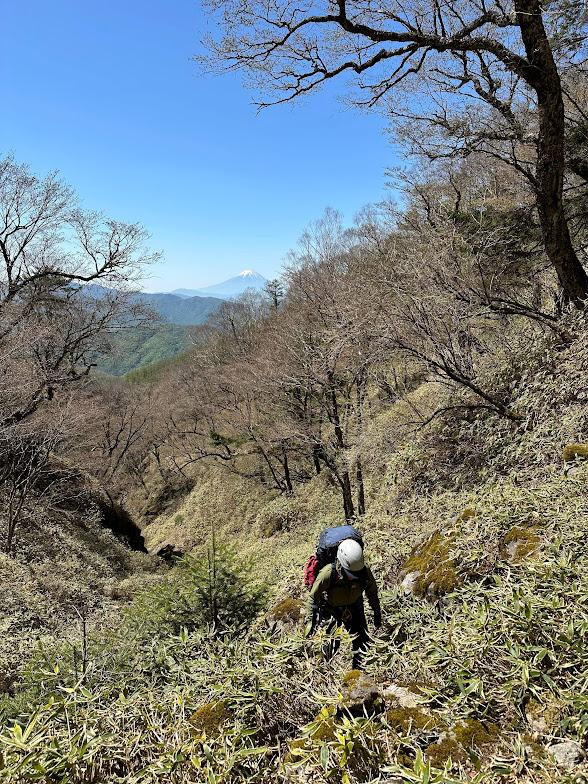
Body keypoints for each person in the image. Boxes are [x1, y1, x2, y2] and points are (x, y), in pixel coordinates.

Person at [307, 538, 381, 669]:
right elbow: (314, 597)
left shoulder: (364, 571)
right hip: (331, 609)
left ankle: (358, 672)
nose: (354, 576)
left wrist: (376, 611)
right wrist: (311, 623)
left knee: (362, 640)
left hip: (354, 606)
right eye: (351, 573)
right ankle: (324, 669)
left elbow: (372, 591)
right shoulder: (328, 573)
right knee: (330, 643)